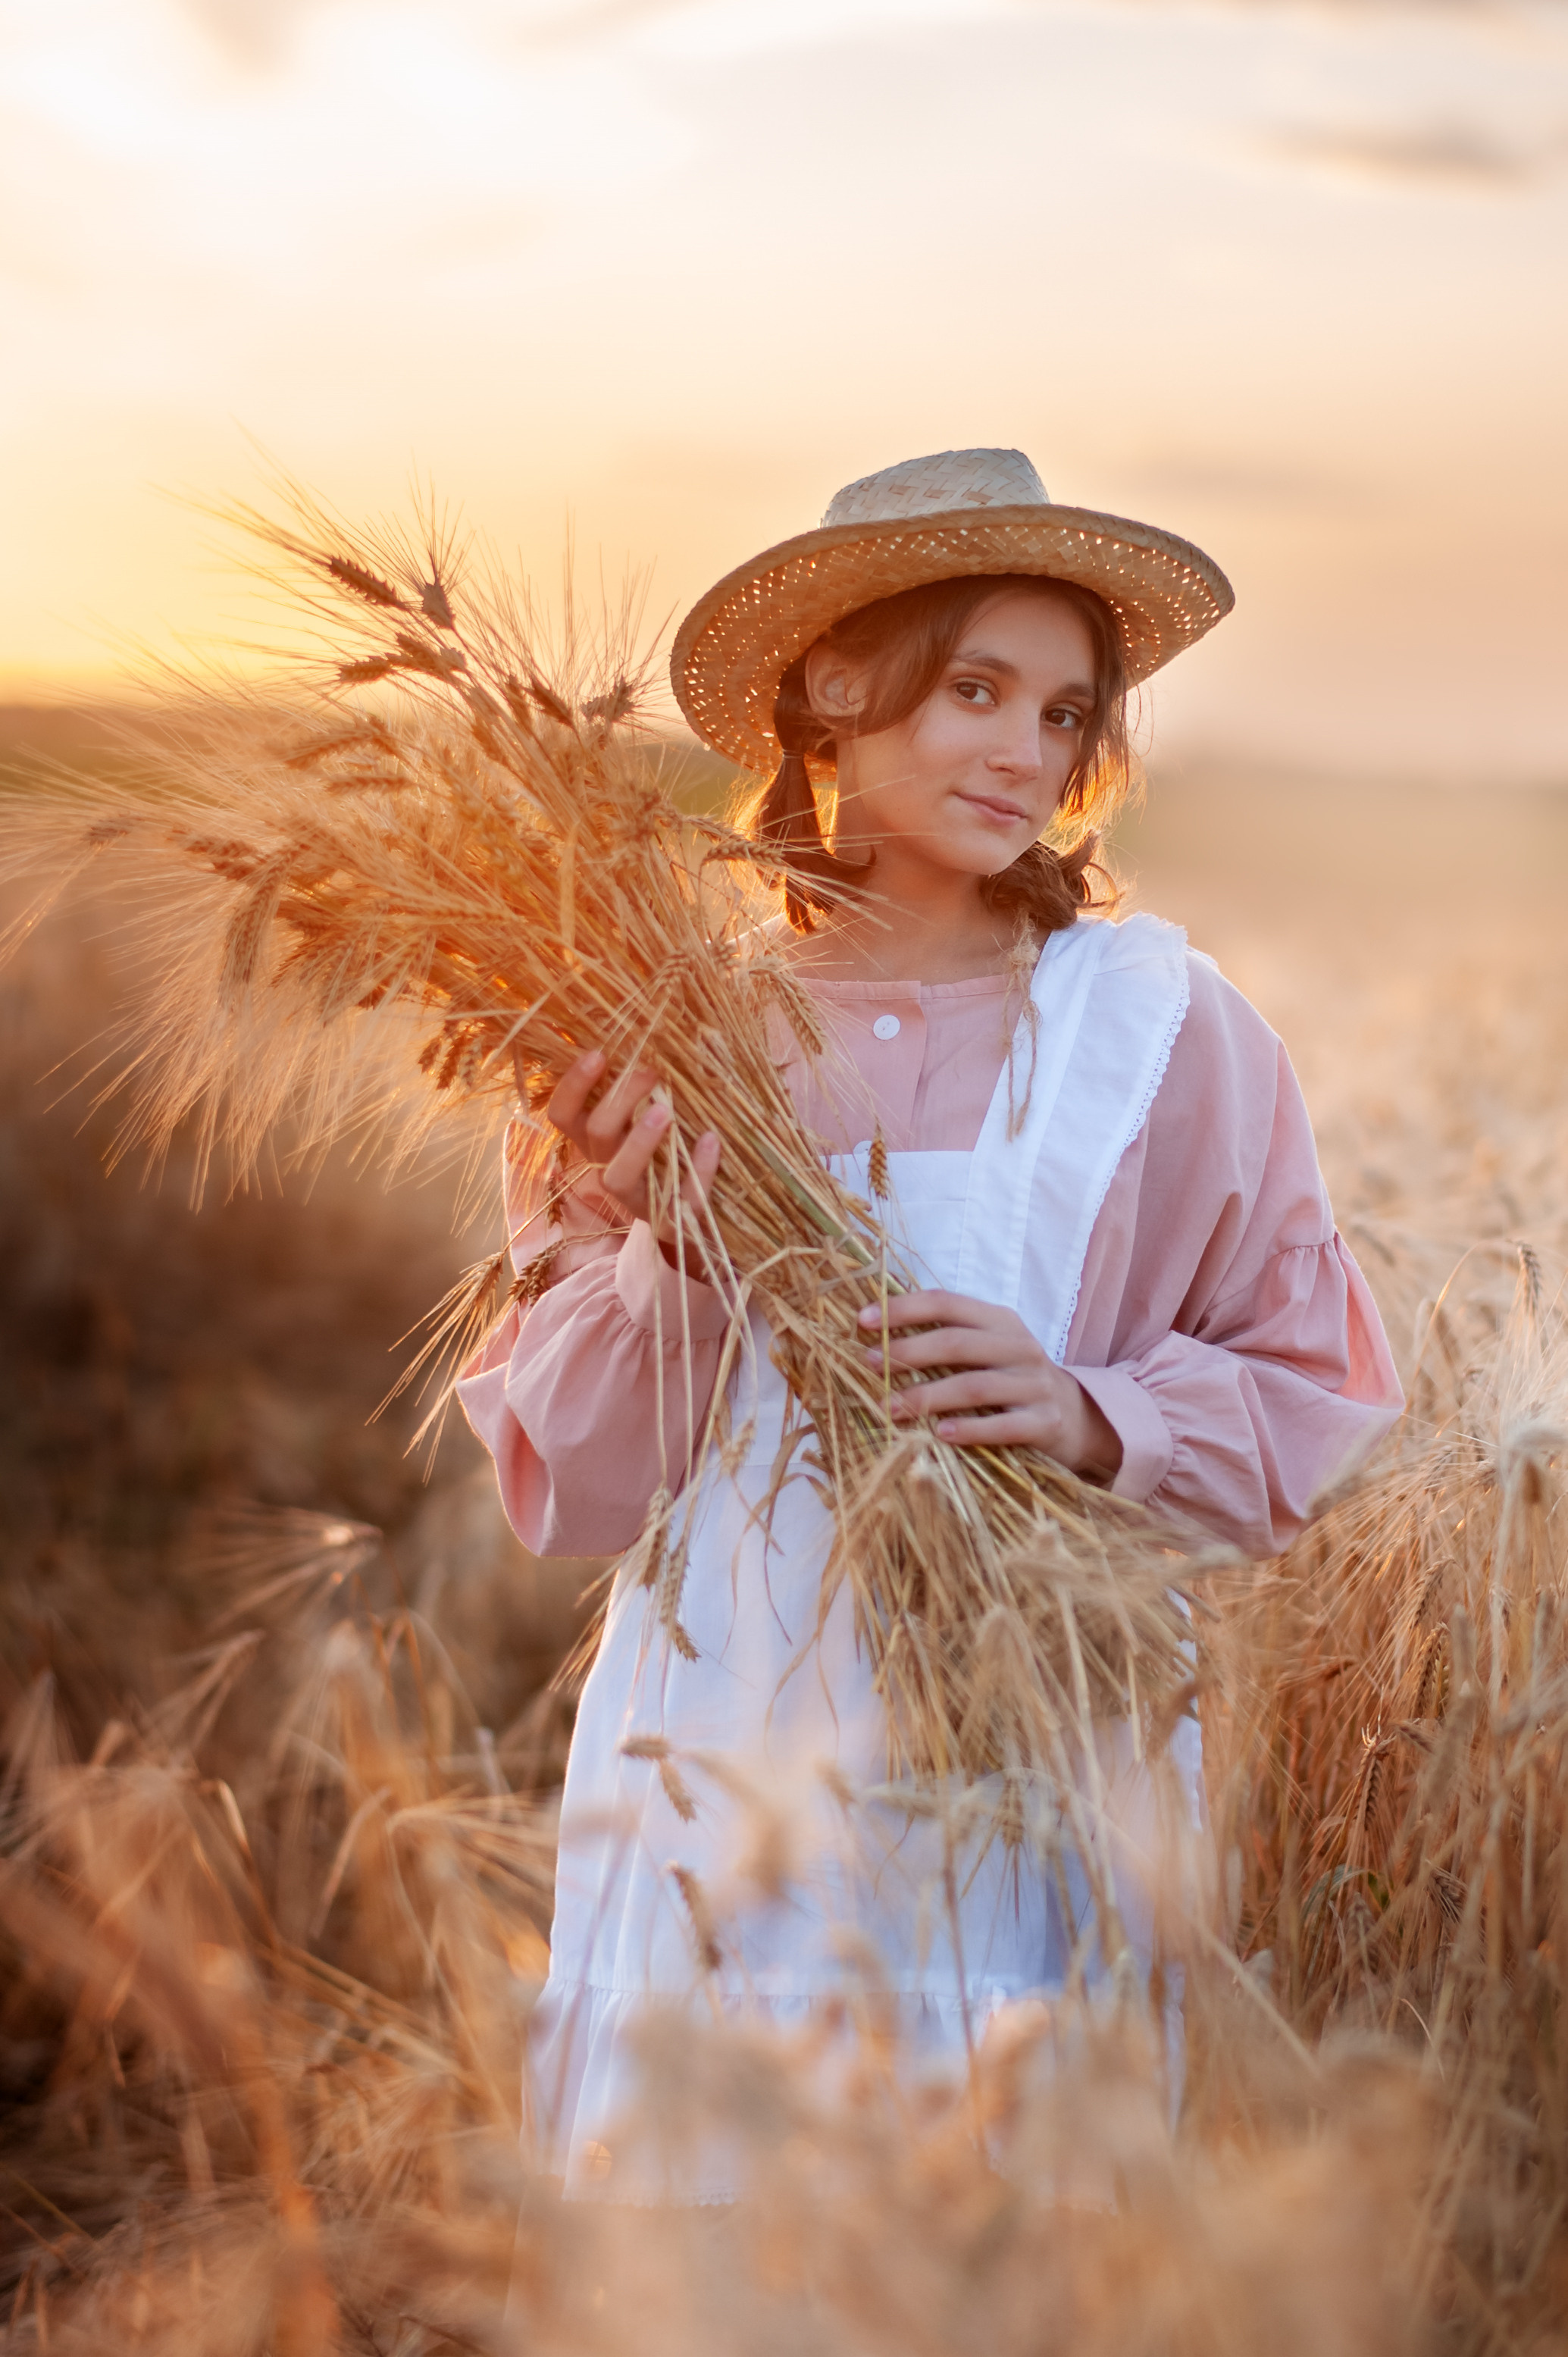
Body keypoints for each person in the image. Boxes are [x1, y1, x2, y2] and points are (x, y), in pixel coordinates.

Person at [459, 448, 1403, 2198]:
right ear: (832, 685)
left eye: (1060, 713)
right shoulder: (660, 1034)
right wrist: (678, 1242)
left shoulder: (1157, 1031)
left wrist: (1088, 1408)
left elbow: (1318, 1382)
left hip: (1037, 1749)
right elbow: (574, 1493)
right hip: (724, 1749)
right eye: (975, 689)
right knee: (718, 2233)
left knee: (1007, 2225)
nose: (1023, 754)